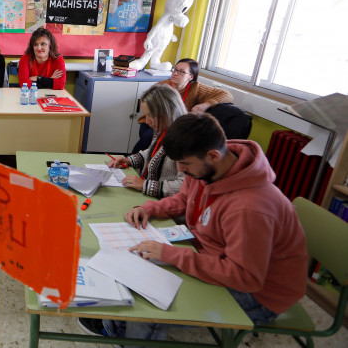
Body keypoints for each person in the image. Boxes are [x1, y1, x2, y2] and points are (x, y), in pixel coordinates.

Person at [79, 113, 309, 343]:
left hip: (260, 294)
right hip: (213, 256)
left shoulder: (250, 208)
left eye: (185, 164)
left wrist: (174, 255)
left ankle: (127, 335)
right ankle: (118, 328)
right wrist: (150, 209)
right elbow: (184, 199)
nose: (180, 170)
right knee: (139, 266)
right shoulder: (210, 166)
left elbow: (245, 277)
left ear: (212, 155)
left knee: (154, 300)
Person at [133, 58, 233, 152]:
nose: (175, 73)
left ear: (191, 77)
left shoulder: (196, 88)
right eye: (175, 70)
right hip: (154, 122)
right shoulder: (162, 86)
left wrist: (206, 104)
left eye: (181, 72)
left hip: (178, 127)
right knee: (149, 137)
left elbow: (226, 95)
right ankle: (135, 161)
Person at [108, 84, 186, 198]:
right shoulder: (163, 129)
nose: (147, 121)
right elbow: (152, 152)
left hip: (164, 202)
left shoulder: (185, 142)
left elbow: (184, 185)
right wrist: (129, 160)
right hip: (149, 195)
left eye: (151, 116)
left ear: (168, 112)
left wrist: (145, 185)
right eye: (146, 115)